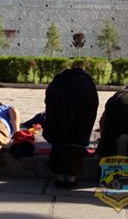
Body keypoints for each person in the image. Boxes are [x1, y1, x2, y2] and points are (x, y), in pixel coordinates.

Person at [43, 60, 99, 188]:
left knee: (60, 144)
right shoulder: (88, 83)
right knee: (75, 146)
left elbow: (49, 101)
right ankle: (72, 177)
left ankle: (59, 176)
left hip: (59, 127)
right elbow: (92, 106)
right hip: (79, 129)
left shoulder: (58, 81)